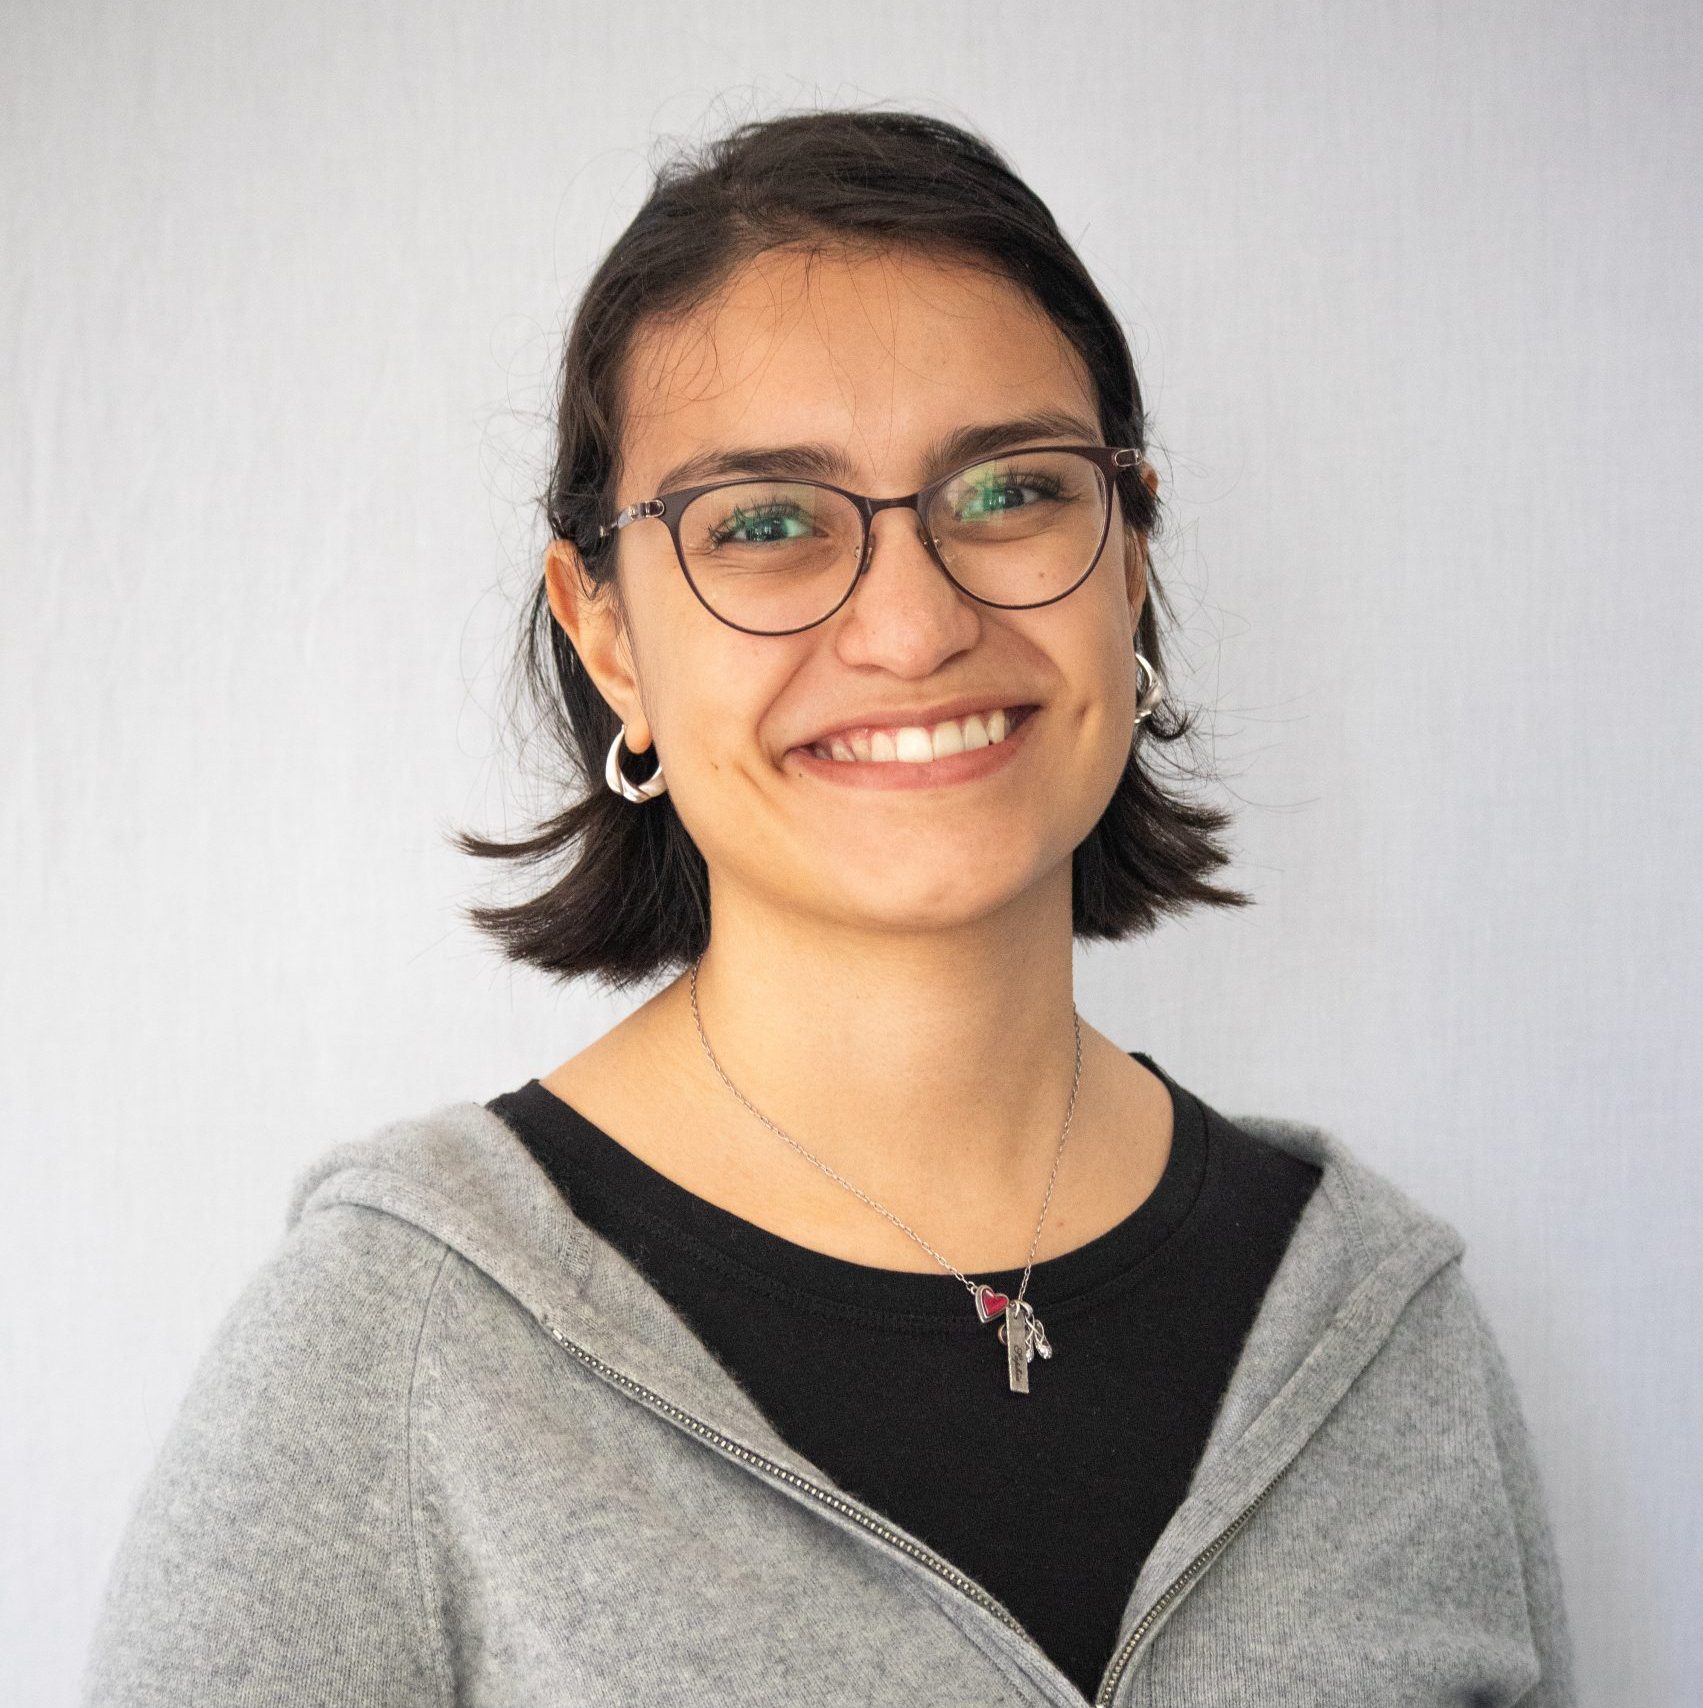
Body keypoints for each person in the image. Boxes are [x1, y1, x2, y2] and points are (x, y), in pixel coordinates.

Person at [81, 108, 1576, 1707]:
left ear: (1129, 555)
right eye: (768, 525)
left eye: (1010, 490)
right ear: (606, 634)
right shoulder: (390, 1348)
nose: (917, 624)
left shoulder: (1387, 1334)